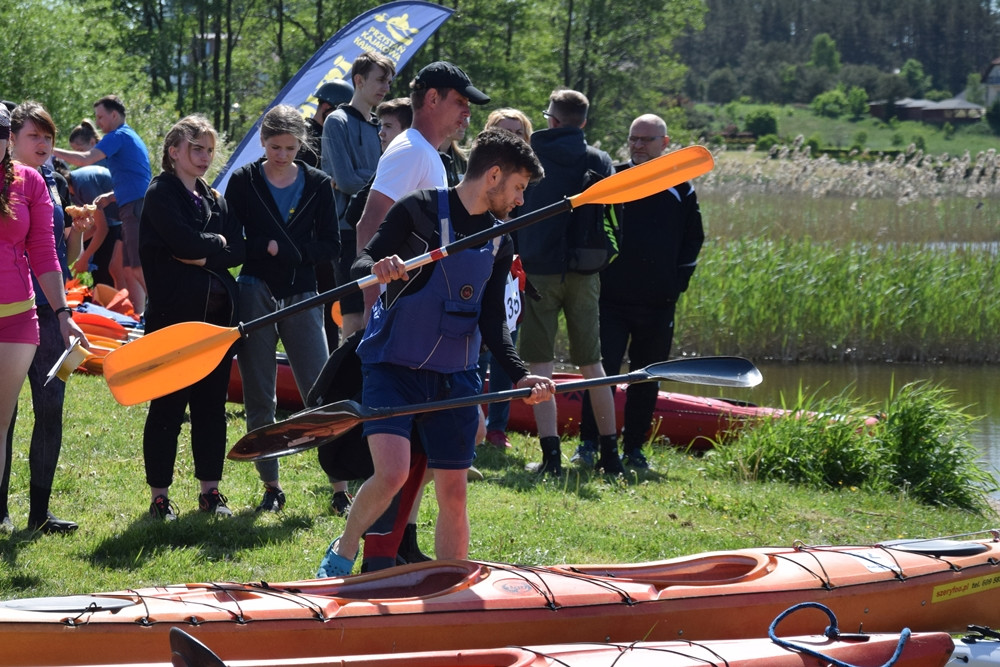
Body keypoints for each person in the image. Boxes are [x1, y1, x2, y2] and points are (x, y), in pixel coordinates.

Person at [316, 128, 555, 577]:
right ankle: (343, 552)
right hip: (392, 366)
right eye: (519, 188)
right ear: (494, 176)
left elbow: (491, 320)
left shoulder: (503, 238)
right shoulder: (420, 209)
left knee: (455, 491)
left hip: (456, 376)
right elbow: (361, 263)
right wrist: (380, 268)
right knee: (391, 475)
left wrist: (520, 374)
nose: (521, 200)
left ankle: (451, 586)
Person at [226, 105, 339, 513]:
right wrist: (263, 247)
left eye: (291, 147)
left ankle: (339, 485)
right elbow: (231, 240)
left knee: (321, 390)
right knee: (260, 393)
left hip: (302, 294)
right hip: (254, 291)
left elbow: (331, 246)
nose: (282, 155)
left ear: (301, 144)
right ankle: (271, 485)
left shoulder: (319, 184)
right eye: (275, 147)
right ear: (263, 141)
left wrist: (293, 253)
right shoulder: (244, 181)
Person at [578, 114, 704, 468]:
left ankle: (634, 449)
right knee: (601, 374)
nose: (637, 145)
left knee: (646, 378)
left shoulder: (682, 187)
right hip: (610, 300)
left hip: (659, 303)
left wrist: (677, 283)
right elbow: (590, 230)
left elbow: (693, 238)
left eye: (646, 140)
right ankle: (590, 444)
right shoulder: (612, 179)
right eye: (633, 139)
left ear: (665, 143)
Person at [140, 115, 244, 520]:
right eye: (196, 149)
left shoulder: (215, 198)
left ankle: (210, 493)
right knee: (166, 409)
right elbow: (182, 241)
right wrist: (214, 243)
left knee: (210, 408)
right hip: (172, 319)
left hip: (217, 323)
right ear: (174, 151)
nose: (204, 157)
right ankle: (159, 498)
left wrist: (206, 249)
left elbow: (240, 249)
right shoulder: (161, 194)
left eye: (209, 151)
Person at [517, 89, 623, 476]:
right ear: (583, 122)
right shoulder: (599, 159)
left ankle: (551, 459)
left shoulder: (530, 155)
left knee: (540, 366)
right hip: (585, 272)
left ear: (552, 119)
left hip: (538, 271)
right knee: (593, 365)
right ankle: (611, 456)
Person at [0, 102, 89, 534]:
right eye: (34, 136)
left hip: (49, 312)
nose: (44, 144)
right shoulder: (17, 181)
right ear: (11, 139)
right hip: (17, 306)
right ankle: (1, 510)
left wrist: (79, 234)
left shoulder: (52, 184)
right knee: (6, 414)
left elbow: (57, 255)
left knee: (51, 405)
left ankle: (40, 513)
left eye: (48, 137)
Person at [53, 95, 152, 317]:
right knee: (128, 268)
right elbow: (135, 177)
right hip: (131, 204)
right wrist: (110, 195)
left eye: (100, 117)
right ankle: (141, 314)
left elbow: (85, 159)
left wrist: (51, 150)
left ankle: (163, 310)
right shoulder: (128, 136)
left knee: (136, 266)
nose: (97, 123)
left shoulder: (118, 135)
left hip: (135, 206)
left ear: (114, 115)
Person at [321, 52, 395, 342]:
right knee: (353, 313)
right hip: (347, 231)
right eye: (379, 80)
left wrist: (366, 177)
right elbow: (346, 179)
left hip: (381, 229)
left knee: (379, 307)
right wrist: (379, 177)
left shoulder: (381, 125)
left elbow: (357, 179)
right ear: (359, 80)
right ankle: (349, 383)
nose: (385, 87)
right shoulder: (336, 122)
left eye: (388, 82)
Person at [478, 108, 533, 449]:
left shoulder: (530, 180)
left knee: (505, 347)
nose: (511, 137)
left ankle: (496, 426)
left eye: (517, 132)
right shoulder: (480, 174)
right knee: (478, 349)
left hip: (514, 274)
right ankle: (473, 423)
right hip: (480, 267)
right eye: (503, 130)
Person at [299, 79, 353, 169]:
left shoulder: (337, 138)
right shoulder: (302, 135)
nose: (344, 119)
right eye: (341, 113)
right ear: (326, 106)